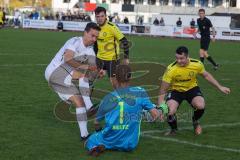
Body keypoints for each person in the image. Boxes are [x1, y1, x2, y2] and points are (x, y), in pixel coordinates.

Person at [85, 65, 161, 156]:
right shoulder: (140, 92)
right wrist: (161, 109)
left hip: (110, 140)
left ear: (115, 78)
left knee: (89, 141)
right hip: (130, 144)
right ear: (130, 77)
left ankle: (95, 147)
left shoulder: (108, 98)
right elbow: (155, 115)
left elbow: (96, 122)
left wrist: (98, 130)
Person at [45, 22, 103, 140]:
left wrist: (99, 71)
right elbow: (68, 59)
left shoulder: (90, 50)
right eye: (92, 35)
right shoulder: (75, 41)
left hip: (64, 76)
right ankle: (90, 106)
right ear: (85, 33)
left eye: (96, 37)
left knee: (79, 102)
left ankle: (84, 135)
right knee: (83, 76)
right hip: (54, 72)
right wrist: (86, 68)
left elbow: (94, 67)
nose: (94, 39)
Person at [158, 46, 230, 136]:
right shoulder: (171, 69)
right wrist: (161, 106)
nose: (178, 61)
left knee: (200, 105)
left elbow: (206, 75)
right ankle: (173, 129)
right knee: (169, 111)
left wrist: (220, 87)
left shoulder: (197, 64)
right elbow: (163, 89)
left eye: (181, 58)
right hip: (175, 91)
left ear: (188, 56)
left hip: (191, 89)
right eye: (177, 58)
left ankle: (195, 121)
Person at [94, 7, 130, 88]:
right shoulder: (95, 27)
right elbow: (95, 44)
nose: (99, 19)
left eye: (102, 16)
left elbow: (124, 41)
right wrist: (96, 55)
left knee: (114, 82)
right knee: (92, 77)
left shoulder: (111, 27)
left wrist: (126, 58)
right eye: (97, 16)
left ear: (105, 16)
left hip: (112, 59)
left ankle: (122, 98)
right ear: (95, 17)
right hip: (100, 58)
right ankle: (87, 98)